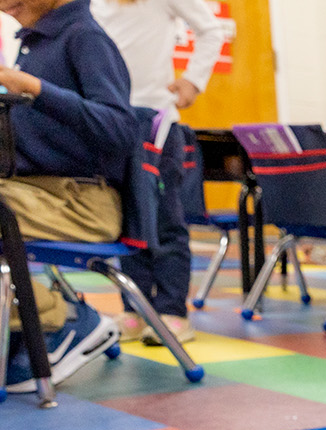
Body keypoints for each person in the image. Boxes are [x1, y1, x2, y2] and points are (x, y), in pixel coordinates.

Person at [0, 0, 140, 392]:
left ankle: (67, 318)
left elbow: (121, 129)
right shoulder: (36, 41)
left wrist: (36, 90)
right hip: (36, 190)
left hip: (81, 201)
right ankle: (29, 324)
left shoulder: (85, 38)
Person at [92, 0, 225, 345]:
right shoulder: (91, 6)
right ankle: (135, 308)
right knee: (126, 223)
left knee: (165, 220)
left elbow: (212, 29)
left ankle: (171, 311)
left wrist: (194, 81)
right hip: (113, 123)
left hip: (157, 124)